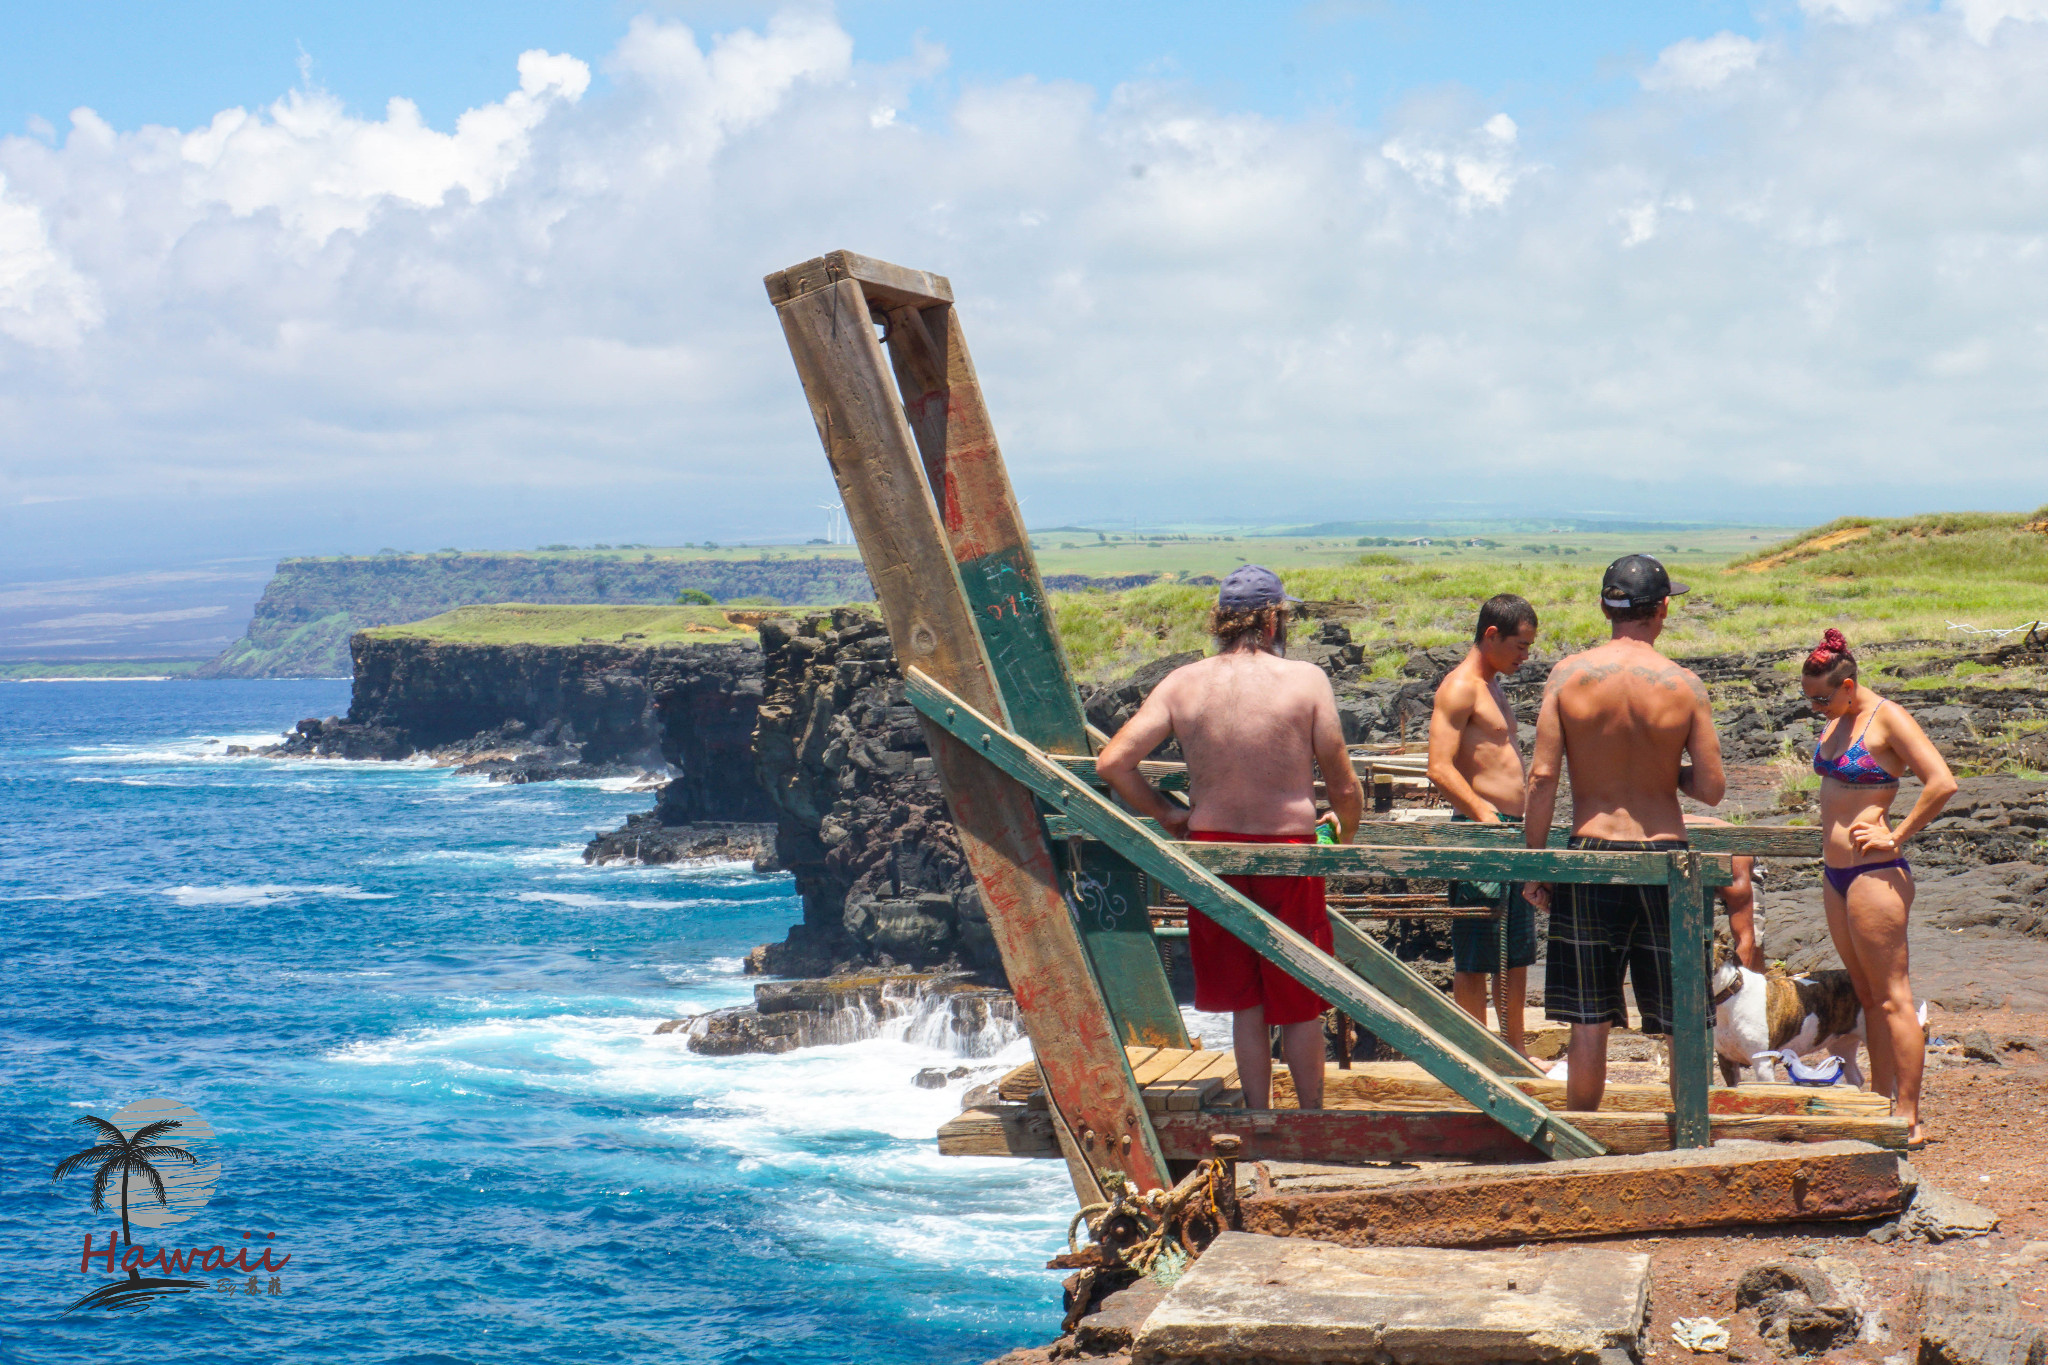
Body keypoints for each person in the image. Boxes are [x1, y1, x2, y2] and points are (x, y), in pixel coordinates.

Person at [1097, 565, 1364, 1111]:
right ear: (1271, 622)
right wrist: (1344, 829)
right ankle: (1310, 1120)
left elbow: (1114, 763)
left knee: (1248, 1002)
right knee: (1301, 998)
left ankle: (1259, 1117)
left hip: (1213, 852)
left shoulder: (1182, 682)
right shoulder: (1306, 680)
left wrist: (1168, 816)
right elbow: (1344, 785)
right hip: (1288, 853)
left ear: (1223, 622)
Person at [1523, 554, 1726, 1113]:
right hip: (1665, 857)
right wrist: (1662, 769)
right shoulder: (1684, 684)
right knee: (1681, 1016)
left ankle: (1582, 1145)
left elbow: (1542, 777)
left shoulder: (1567, 676)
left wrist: (1536, 864)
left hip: (1590, 854)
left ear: (1606, 608)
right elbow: (1711, 788)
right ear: (1661, 609)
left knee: (1589, 1022)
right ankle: (1692, 1136)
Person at [1803, 628, 1955, 1145]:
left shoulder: (1887, 717)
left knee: (1893, 998)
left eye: (1823, 698)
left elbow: (1941, 782)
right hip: (1835, 873)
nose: (1816, 707)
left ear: (1849, 685)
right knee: (1867, 995)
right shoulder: (1838, 719)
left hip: (1875, 873)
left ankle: (1908, 1115)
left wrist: (1897, 833)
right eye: (1809, 699)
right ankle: (1881, 1101)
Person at [1426, 593, 1541, 1057]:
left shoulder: (1494, 685)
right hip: (1480, 832)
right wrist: (1481, 812)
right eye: (1520, 645)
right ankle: (1474, 1055)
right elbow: (1438, 766)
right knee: (1475, 954)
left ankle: (1513, 1051)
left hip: (1511, 831)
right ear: (1491, 635)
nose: (1525, 656)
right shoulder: (1460, 687)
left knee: (1516, 953)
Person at [1685, 815, 1762, 971]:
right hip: (1683, 863)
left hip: (1739, 862)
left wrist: (1738, 990)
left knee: (1756, 941)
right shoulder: (1664, 844)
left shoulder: (1735, 860)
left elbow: (1745, 938)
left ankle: (1760, 987)